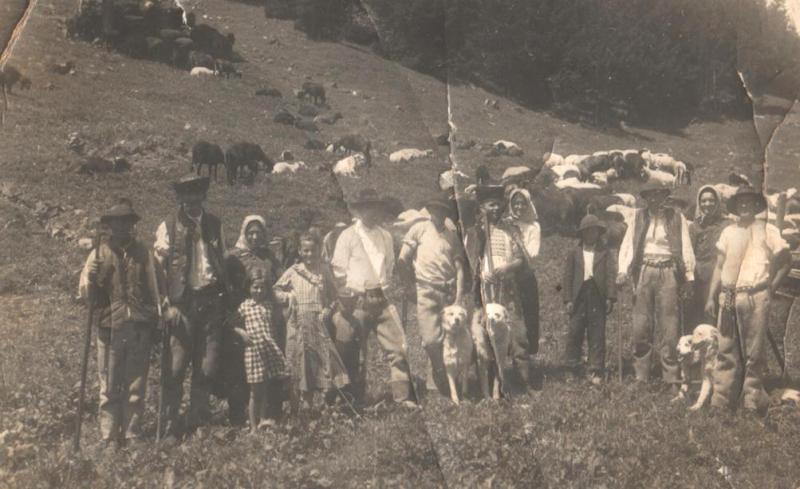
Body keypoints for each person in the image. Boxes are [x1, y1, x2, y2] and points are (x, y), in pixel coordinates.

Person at [78, 199, 160, 447]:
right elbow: (84, 292)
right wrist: (91, 279)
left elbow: (154, 288)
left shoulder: (144, 253)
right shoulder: (98, 253)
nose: (122, 227)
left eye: (126, 222)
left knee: (136, 380)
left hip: (137, 325)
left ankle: (132, 432)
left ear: (132, 225)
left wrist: (157, 315)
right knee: (110, 381)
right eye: (117, 223)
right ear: (109, 226)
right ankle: (109, 435)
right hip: (109, 325)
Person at [154, 175, 229, 439]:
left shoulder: (214, 224)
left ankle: (197, 420)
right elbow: (158, 269)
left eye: (196, 193)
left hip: (210, 303)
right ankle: (169, 424)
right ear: (180, 197)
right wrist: (166, 304)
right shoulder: (169, 226)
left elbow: (222, 261)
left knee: (206, 367)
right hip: (182, 306)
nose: (191, 199)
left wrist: (222, 299)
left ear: (203, 195)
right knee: (175, 367)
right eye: (186, 194)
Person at [705, 186, 791, 415]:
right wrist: (711, 297)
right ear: (735, 206)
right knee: (726, 348)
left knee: (754, 351)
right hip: (730, 295)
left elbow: (785, 261)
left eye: (749, 202)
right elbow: (719, 266)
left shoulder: (768, 231)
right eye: (740, 202)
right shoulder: (728, 232)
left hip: (756, 294)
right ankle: (722, 400)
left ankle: (752, 400)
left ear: (756, 206)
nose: (744, 206)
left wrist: (771, 288)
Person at [330, 188, 418, 407]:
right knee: (356, 353)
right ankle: (355, 400)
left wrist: (381, 289)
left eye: (376, 208)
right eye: (368, 208)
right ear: (360, 210)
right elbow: (339, 271)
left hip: (381, 298)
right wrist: (350, 298)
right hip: (357, 299)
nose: (373, 213)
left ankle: (402, 397)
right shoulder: (348, 236)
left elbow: (388, 267)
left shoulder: (385, 236)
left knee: (399, 347)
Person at [617, 180, 695, 388]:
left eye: (658, 194)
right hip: (643, 271)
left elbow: (685, 247)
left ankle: (670, 376)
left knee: (669, 324)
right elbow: (627, 245)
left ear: (664, 197)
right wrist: (623, 270)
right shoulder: (638, 217)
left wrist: (688, 276)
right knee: (640, 324)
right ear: (646, 197)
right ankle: (641, 374)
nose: (654, 199)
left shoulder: (677, 218)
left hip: (669, 272)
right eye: (650, 195)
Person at [397, 196, 466, 397]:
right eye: (435, 209)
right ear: (429, 210)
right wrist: (408, 285)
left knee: (448, 337)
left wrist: (459, 297)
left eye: (443, 210)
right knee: (430, 340)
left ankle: (438, 384)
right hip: (425, 290)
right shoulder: (419, 229)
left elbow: (460, 269)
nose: (439, 214)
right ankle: (439, 372)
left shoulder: (452, 236)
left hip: (447, 291)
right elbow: (403, 259)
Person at [275, 232, 350, 411]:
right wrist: (288, 296)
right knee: (299, 363)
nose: (310, 255)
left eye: (313, 251)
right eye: (306, 251)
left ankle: (325, 406)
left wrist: (327, 309)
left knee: (321, 364)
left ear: (319, 251)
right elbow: (275, 290)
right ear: (300, 251)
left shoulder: (324, 270)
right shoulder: (293, 271)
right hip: (298, 324)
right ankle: (301, 408)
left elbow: (334, 295)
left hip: (318, 325)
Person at [464, 184, 529, 389]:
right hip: (483, 292)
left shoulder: (510, 230)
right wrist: (481, 277)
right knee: (483, 335)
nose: (495, 209)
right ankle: (487, 383)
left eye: (498, 205)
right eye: (490, 205)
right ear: (481, 207)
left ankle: (522, 381)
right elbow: (470, 261)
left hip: (507, 290)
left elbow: (521, 259)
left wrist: (507, 268)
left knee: (518, 334)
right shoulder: (474, 233)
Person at [222, 215, 285, 426]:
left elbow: (282, 280)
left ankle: (269, 415)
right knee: (240, 369)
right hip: (242, 317)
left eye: (259, 232)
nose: (255, 237)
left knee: (269, 366)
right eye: (250, 233)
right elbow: (227, 290)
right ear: (244, 234)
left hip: (265, 317)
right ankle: (239, 416)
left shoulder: (269, 257)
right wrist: (235, 326)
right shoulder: (233, 256)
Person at [231, 266, 288, 430]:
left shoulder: (269, 305)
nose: (258, 290)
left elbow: (278, 322)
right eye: (255, 287)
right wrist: (242, 332)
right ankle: (253, 427)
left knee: (265, 387)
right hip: (253, 352)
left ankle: (263, 419)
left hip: (268, 350)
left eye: (262, 287)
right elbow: (232, 323)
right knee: (255, 391)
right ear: (249, 287)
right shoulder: (245, 306)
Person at [562, 215, 617, 384]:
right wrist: (568, 299)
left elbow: (610, 275)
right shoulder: (574, 252)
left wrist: (610, 297)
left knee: (597, 333)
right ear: (582, 234)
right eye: (587, 232)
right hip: (579, 295)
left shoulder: (604, 252)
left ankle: (596, 369)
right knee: (575, 331)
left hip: (597, 295)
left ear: (598, 233)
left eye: (594, 231)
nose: (591, 235)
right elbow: (567, 276)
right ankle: (572, 366)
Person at [505, 187, 542, 373]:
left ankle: (525, 362)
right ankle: (509, 361)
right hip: (506, 276)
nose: (519, 207)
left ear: (528, 205)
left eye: (522, 203)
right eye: (515, 203)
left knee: (526, 318)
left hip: (525, 277)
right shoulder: (505, 224)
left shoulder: (533, 227)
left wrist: (518, 239)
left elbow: (532, 255)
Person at [687, 185, 730, 329]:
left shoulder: (726, 225)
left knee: (715, 317)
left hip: (720, 274)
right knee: (695, 317)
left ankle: (715, 349)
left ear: (717, 202)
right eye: (703, 201)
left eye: (711, 200)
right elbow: (689, 252)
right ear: (699, 203)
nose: (707, 204)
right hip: (699, 275)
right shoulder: (694, 226)